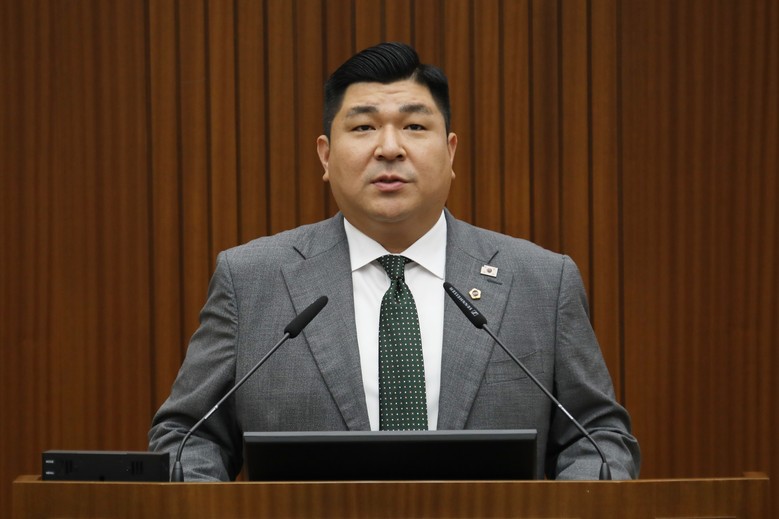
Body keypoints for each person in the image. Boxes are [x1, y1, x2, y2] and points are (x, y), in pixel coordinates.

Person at [149, 42, 640, 480]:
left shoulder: (541, 281)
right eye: (363, 127)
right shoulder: (252, 279)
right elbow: (188, 438)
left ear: (450, 151)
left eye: (414, 126)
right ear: (325, 156)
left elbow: (597, 437)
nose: (389, 148)